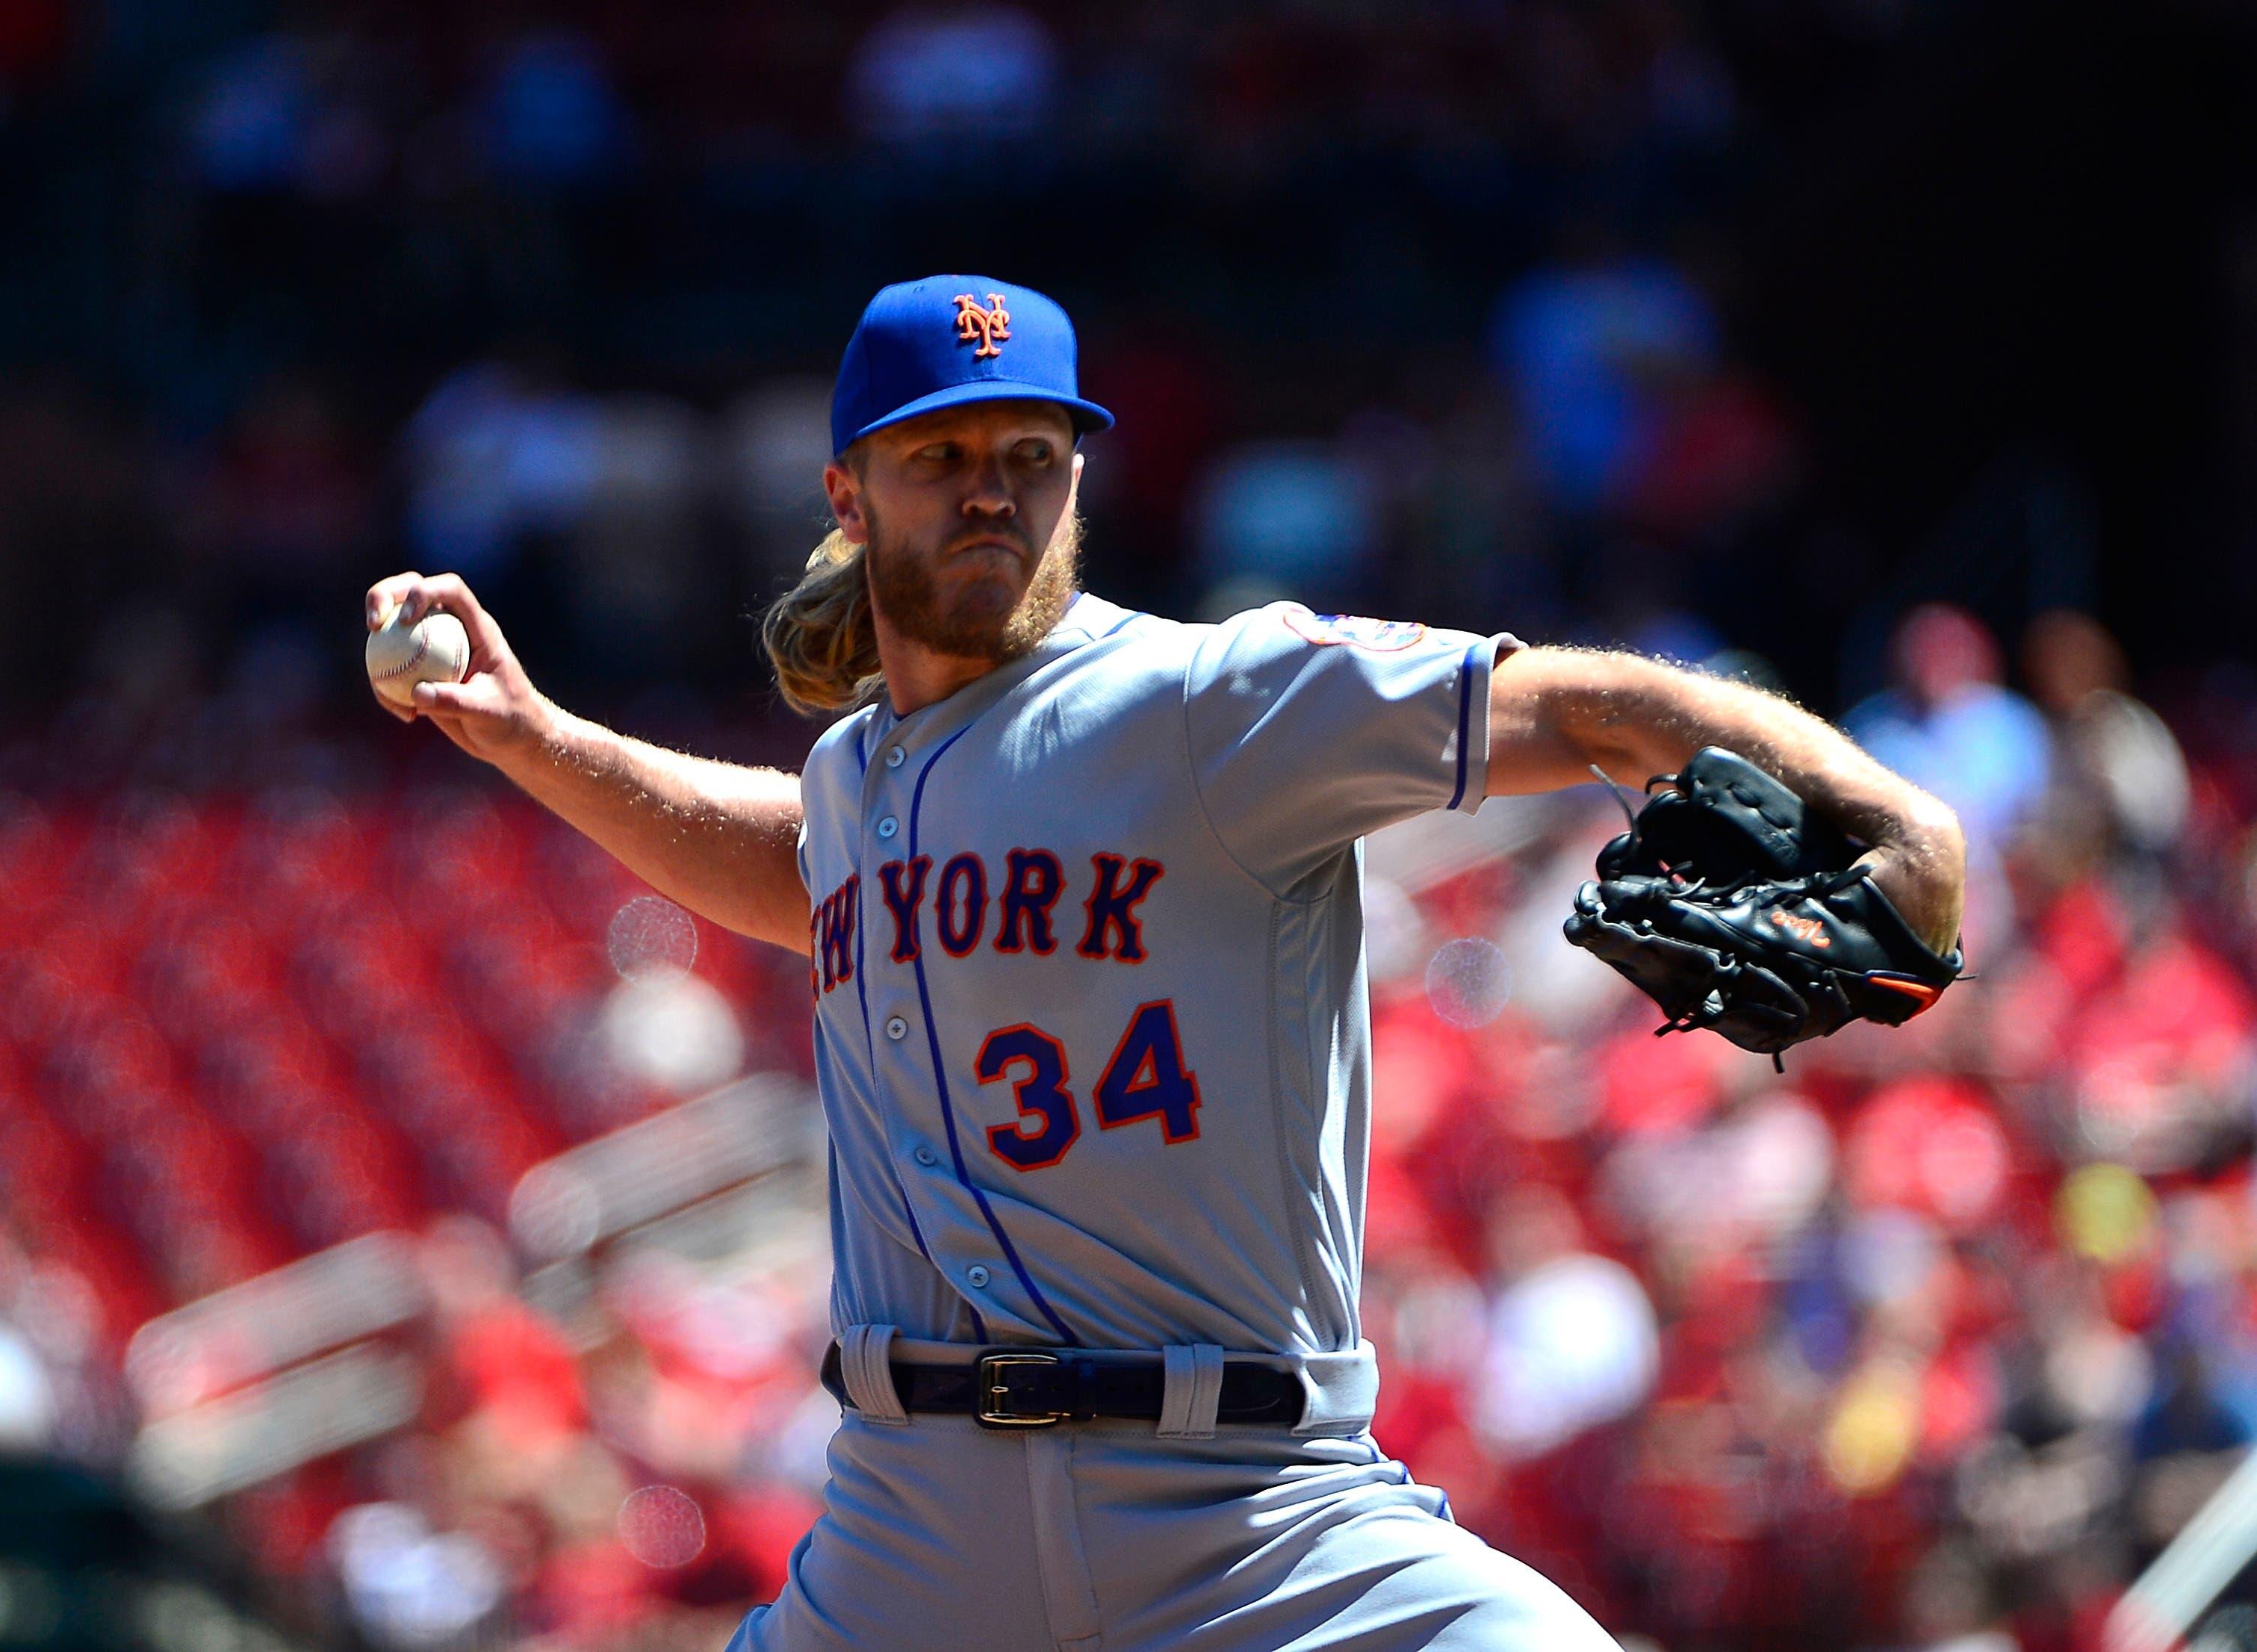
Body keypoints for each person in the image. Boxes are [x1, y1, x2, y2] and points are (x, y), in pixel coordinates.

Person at [366, 276, 1966, 1651]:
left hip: (1249, 1514)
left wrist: (1893, 816)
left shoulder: (1212, 701)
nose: (993, 489)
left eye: (1031, 453)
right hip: (912, 1536)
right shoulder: (859, 779)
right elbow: (796, 858)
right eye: (941, 457)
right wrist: (538, 736)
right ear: (849, 495)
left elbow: (1580, 704)